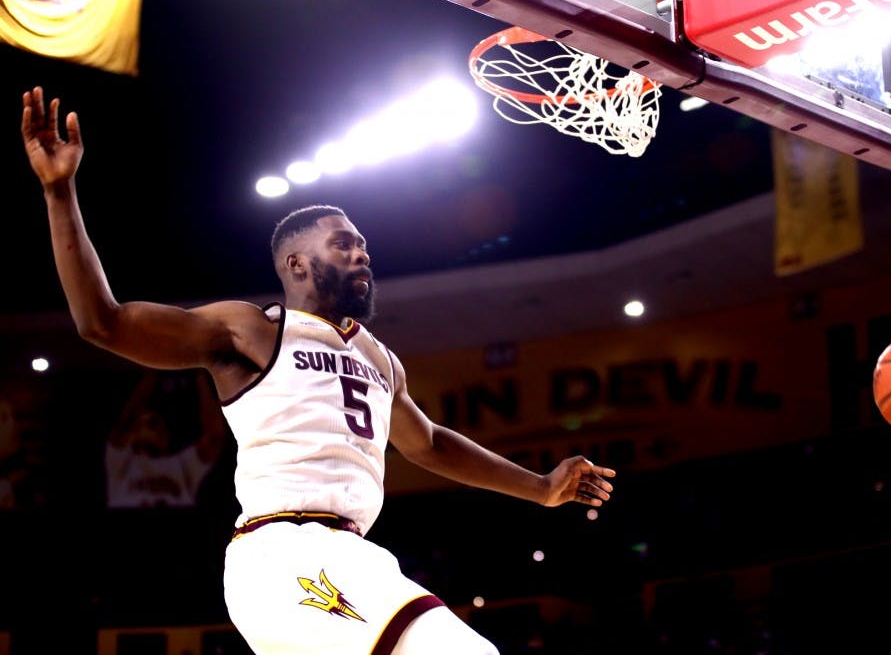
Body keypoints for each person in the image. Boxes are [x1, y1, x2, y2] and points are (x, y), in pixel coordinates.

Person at [20, 86, 615, 654]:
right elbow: (104, 323)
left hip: (349, 555)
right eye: (344, 244)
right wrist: (58, 193)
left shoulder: (380, 359)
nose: (362, 253)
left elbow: (429, 443)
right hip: (283, 554)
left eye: (363, 245)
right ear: (298, 264)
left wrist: (539, 489)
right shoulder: (253, 329)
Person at [105, 368, 227, 508]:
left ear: (167, 436)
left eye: (154, 422)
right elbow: (125, 425)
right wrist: (151, 370)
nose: (148, 425)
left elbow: (213, 439)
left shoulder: (180, 465)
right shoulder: (122, 463)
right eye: (146, 422)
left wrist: (200, 375)